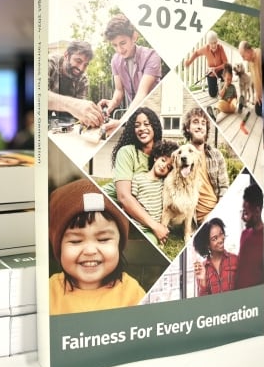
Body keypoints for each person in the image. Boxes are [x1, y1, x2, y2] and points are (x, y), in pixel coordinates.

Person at [48, 178, 146, 315]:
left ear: (119, 244)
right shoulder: (49, 292)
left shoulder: (131, 292)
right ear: (58, 247)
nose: (90, 251)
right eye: (76, 241)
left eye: (103, 239)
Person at [103, 107, 170, 243]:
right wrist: (155, 226)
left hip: (137, 215)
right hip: (108, 202)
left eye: (146, 124)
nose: (141, 128)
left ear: (155, 127)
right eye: (137, 125)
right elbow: (124, 197)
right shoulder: (127, 152)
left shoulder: (163, 158)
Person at [98, 14, 162, 132]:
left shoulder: (152, 56)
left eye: (123, 43)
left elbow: (142, 94)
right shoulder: (115, 60)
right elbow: (119, 91)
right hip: (135, 116)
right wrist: (111, 105)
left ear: (134, 37)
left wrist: (121, 121)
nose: (119, 50)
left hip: (155, 112)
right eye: (114, 45)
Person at [182, 107, 228, 223]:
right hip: (194, 219)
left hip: (217, 210)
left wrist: (219, 211)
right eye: (195, 122)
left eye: (203, 123)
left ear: (206, 129)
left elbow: (224, 187)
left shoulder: (216, 155)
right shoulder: (181, 157)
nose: (200, 126)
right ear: (188, 128)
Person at [130, 140, 179, 245]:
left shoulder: (164, 184)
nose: (164, 166)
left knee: (150, 242)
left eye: (169, 167)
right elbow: (130, 201)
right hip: (136, 224)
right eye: (163, 160)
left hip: (153, 230)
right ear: (156, 157)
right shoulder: (138, 178)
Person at [47, 40, 104, 128]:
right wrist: (74, 105)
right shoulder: (49, 63)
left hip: (67, 125)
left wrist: (90, 117)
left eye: (85, 65)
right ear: (66, 55)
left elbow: (81, 114)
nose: (81, 68)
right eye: (78, 61)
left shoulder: (83, 79)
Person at [193, 217, 238, 295]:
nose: (220, 240)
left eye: (221, 234)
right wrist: (203, 282)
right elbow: (203, 303)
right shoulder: (202, 269)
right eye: (214, 239)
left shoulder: (235, 260)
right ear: (207, 244)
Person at [235, 182, 264, 289]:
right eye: (243, 212)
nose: (243, 218)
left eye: (246, 213)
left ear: (257, 211)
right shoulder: (244, 234)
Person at [184, 30, 228, 98]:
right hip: (211, 72)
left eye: (215, 42)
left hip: (221, 70)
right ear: (208, 43)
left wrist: (216, 68)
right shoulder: (205, 48)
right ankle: (215, 87)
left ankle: (222, 85)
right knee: (212, 95)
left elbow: (225, 63)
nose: (214, 45)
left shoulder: (220, 48)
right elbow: (196, 53)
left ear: (217, 41)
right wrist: (189, 61)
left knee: (225, 90)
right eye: (211, 43)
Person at [238, 41, 262, 111]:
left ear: (248, 51)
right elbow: (255, 80)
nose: (243, 59)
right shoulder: (250, 62)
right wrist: (257, 95)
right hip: (261, 96)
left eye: (243, 56)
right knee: (258, 110)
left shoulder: (260, 55)